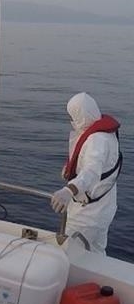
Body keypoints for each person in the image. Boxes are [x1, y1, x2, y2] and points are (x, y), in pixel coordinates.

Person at [50, 93, 121, 255]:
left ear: (80, 116)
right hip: (104, 207)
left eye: (73, 117)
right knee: (96, 253)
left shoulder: (97, 140)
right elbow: (103, 165)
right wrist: (70, 169)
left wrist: (70, 189)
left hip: (87, 216)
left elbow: (91, 171)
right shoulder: (107, 134)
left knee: (67, 253)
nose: (72, 121)